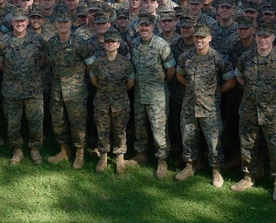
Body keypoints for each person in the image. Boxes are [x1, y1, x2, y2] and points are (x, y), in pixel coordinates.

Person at [232, 23, 276, 199]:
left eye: (266, 37)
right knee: (247, 146)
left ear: (273, 38)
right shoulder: (246, 58)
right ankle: (249, 177)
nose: (263, 40)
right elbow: (239, 78)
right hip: (249, 111)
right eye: (260, 36)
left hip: (275, 114)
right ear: (255, 37)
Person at [175, 25, 236, 187]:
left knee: (213, 141)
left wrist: (216, 92)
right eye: (197, 37)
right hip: (189, 106)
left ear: (209, 38)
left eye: (202, 37)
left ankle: (216, 170)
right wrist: (190, 87)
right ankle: (189, 166)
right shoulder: (186, 57)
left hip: (210, 108)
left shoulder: (217, 58)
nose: (199, 40)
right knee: (188, 137)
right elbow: (179, 74)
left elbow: (231, 80)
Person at [0, 8, 47, 165]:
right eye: (16, 21)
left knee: (36, 120)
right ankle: (17, 150)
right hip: (11, 89)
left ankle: (35, 149)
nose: (20, 24)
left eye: (22, 21)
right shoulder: (3, 41)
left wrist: (32, 72)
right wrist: (12, 73)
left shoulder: (37, 39)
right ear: (12, 22)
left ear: (27, 22)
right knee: (13, 122)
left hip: (33, 89)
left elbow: (44, 59)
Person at [44, 12, 96, 169]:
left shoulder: (79, 42)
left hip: (76, 90)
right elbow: (49, 62)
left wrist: (77, 77)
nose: (62, 24)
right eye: (59, 22)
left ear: (71, 22)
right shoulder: (52, 42)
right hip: (57, 90)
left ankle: (80, 153)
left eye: (65, 21)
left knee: (78, 122)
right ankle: (64, 150)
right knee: (58, 121)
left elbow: (90, 65)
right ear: (55, 24)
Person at [130, 14, 177, 178]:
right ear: (138, 27)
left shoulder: (161, 44)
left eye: (147, 26)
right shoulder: (135, 44)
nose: (144, 28)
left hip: (157, 96)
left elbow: (171, 69)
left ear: (153, 27)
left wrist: (161, 82)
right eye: (141, 25)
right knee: (140, 126)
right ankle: (141, 154)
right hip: (139, 94)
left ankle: (162, 160)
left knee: (159, 130)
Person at [89, 29, 135, 174]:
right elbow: (93, 79)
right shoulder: (98, 63)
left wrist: (117, 92)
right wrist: (106, 90)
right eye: (108, 42)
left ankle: (120, 156)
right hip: (102, 102)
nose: (110, 44)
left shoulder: (125, 63)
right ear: (104, 44)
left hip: (120, 102)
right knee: (102, 130)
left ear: (118, 44)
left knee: (120, 131)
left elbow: (131, 82)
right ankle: (103, 156)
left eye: (113, 42)